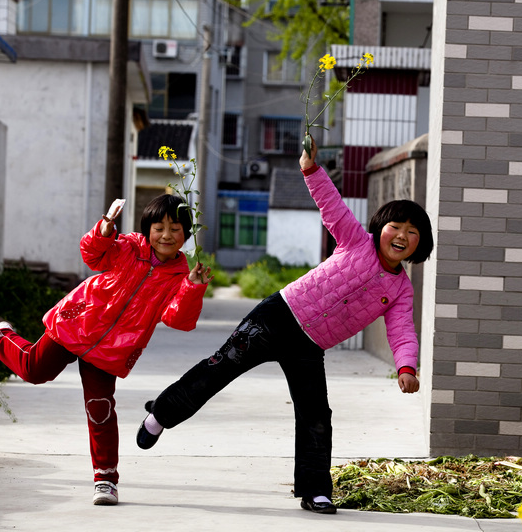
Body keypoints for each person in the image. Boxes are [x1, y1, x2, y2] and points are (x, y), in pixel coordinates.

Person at [135, 138, 434, 515]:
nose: (402, 236)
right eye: (396, 226)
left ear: (419, 246)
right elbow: (330, 204)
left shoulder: (400, 290)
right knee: (218, 369)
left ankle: (316, 490)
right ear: (381, 227)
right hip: (276, 317)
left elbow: (403, 331)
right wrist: (310, 167)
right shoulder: (356, 240)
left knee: (315, 414)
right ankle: (161, 413)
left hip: (310, 347)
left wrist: (406, 366)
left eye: (412, 232)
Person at [0, 194, 212, 506]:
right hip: (76, 323)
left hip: (112, 350)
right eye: (158, 227)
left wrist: (193, 287)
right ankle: (0, 337)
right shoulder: (129, 247)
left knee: (100, 409)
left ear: (186, 235)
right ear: (147, 229)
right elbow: (92, 255)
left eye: (175, 229)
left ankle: (106, 478)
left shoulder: (179, 276)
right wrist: (106, 227)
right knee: (33, 370)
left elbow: (178, 319)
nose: (166, 235)